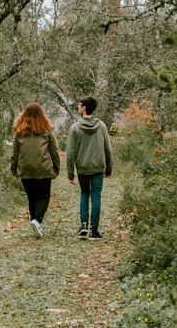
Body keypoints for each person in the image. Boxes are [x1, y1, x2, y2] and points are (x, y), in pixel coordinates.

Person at [66, 95, 113, 240]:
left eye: (80, 104)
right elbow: (108, 149)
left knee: (85, 194)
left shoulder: (75, 128)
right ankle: (94, 230)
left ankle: (84, 226)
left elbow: (70, 152)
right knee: (96, 197)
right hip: (98, 168)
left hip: (83, 168)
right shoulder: (102, 126)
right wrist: (109, 169)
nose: (78, 106)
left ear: (85, 108)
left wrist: (70, 173)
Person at [11, 102, 59, 239]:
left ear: (24, 115)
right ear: (41, 115)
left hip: (25, 169)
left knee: (32, 197)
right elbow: (54, 151)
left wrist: (14, 169)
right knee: (43, 196)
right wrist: (56, 168)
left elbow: (14, 152)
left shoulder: (19, 132)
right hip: (43, 168)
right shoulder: (46, 130)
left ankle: (35, 224)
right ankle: (37, 220)